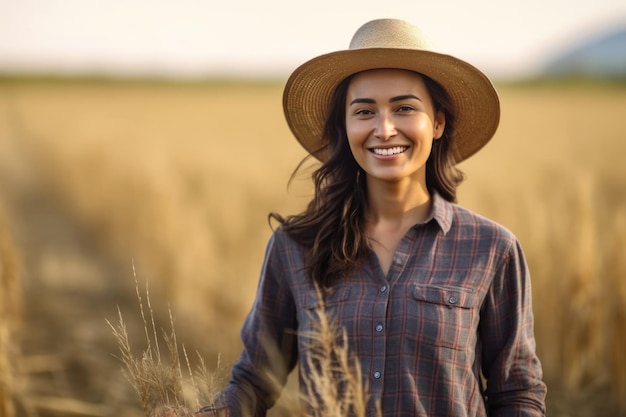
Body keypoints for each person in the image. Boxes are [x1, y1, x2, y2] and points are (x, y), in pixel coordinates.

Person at [198, 18, 547, 417]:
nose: (384, 129)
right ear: (344, 127)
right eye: (364, 111)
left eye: (404, 108)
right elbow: (256, 380)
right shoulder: (296, 247)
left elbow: (517, 393)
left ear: (437, 122)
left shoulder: (491, 249)